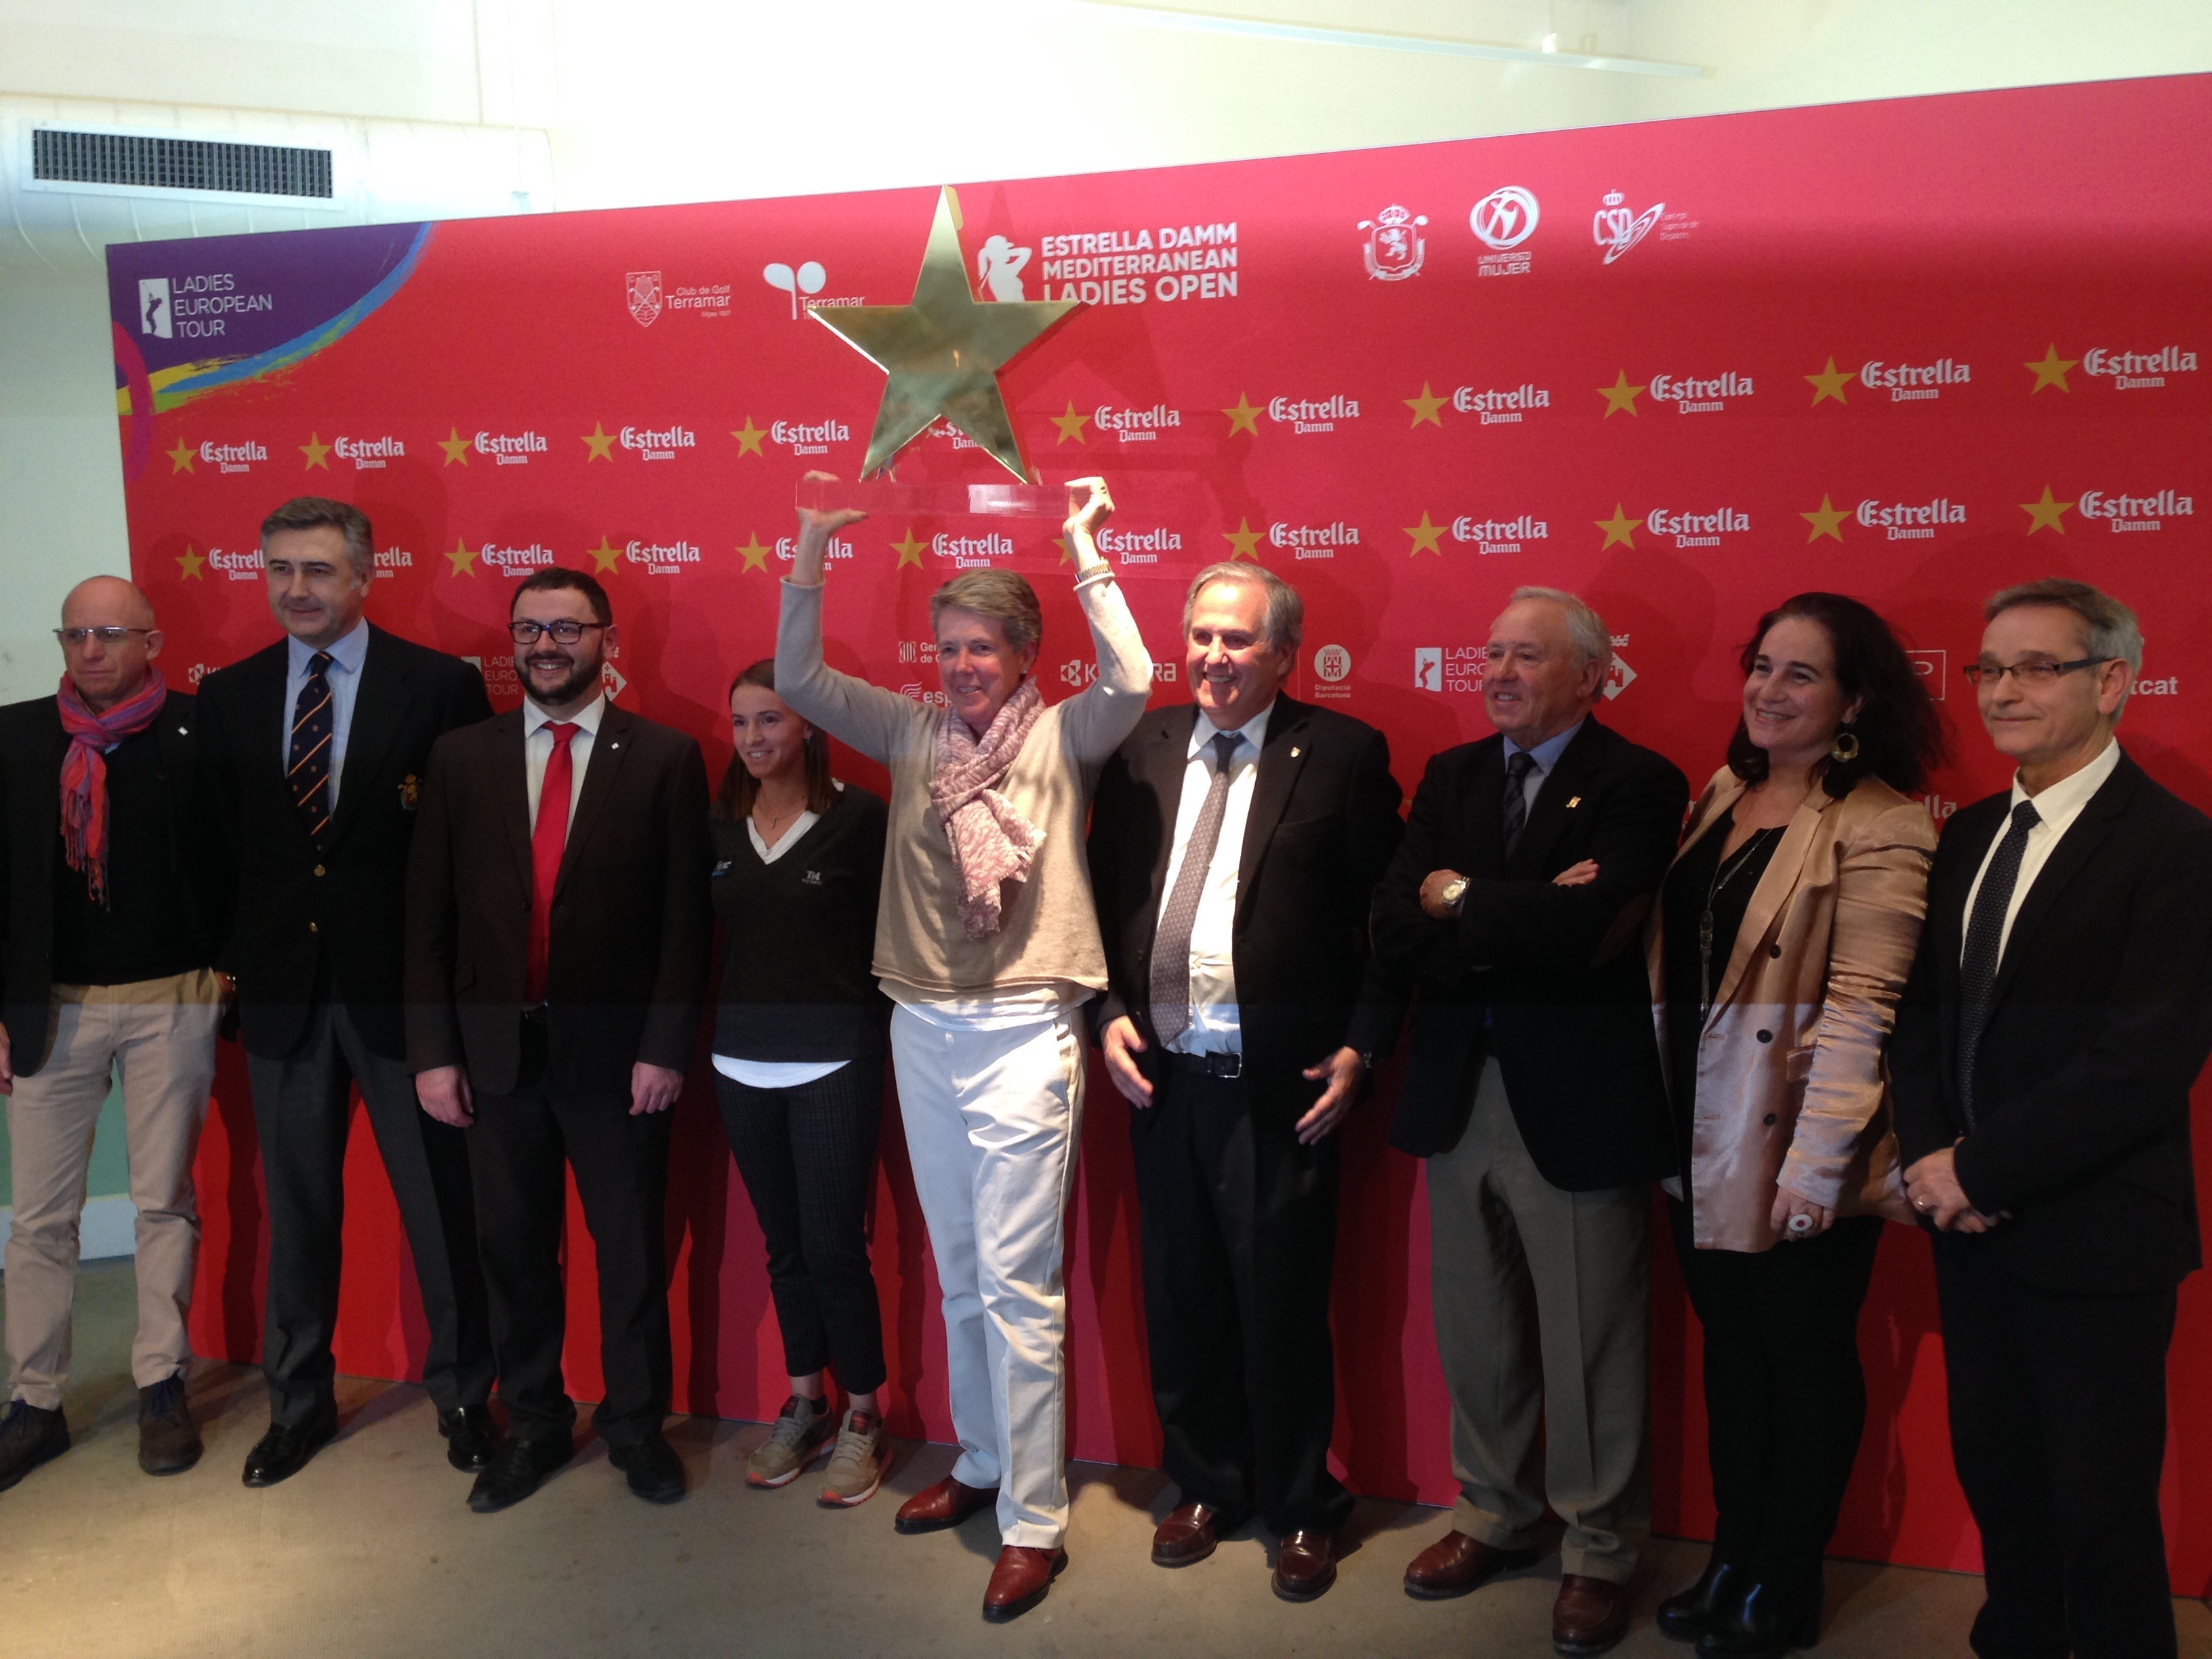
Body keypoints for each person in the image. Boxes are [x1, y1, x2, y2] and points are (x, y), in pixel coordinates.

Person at [775, 472, 1149, 1622]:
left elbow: (1134, 679)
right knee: (961, 1273)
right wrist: (808, 556)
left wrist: (1085, 552)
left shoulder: (1066, 732)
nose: (961, 666)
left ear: (1025, 652)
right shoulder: (908, 730)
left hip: (1026, 1027)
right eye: (947, 647)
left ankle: (1033, 1519)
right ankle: (982, 1462)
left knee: (1022, 1287)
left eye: (982, 646)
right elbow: (797, 680)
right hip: (921, 1023)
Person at [1892, 579, 2212, 1659]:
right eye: (1990, 669)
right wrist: (1933, 1160)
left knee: (2102, 1508)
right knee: (2001, 1480)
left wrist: (1978, 1169)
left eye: (2037, 667)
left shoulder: (2176, 846)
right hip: (1966, 1228)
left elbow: (2144, 1060)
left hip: (2095, 1232)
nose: (2001, 691)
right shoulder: (1971, 833)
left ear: (2112, 682)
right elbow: (1922, 1018)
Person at [1371, 586, 1687, 1657]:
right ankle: (1494, 1514)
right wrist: (1523, 905)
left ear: (1592, 675)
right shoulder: (1452, 775)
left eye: (1528, 657)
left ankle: (1599, 1550)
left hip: (1579, 1099)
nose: (1500, 673)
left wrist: (1459, 897)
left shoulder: (1640, 780)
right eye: (1492, 654)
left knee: (1593, 1338)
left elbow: (1593, 932)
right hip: (1460, 1090)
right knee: (1478, 1326)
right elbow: (1391, 927)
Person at [1626, 594, 1940, 1658]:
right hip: (1700, 1133)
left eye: (1800, 674)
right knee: (1733, 1357)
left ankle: (1786, 1579)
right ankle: (1734, 1554)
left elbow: (1863, 1009)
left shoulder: (1885, 822)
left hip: (1797, 1145)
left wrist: (1816, 1166)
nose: (1768, 689)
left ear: (1854, 702)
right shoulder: (1725, 791)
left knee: (1802, 1360)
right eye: (1762, 665)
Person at [1086, 562, 1404, 1600]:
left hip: (1281, 1086)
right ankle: (1207, 1485)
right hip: (1163, 1081)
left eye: (1238, 639)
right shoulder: (1140, 747)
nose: (1214, 657)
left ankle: (1303, 1505)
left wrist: (1362, 1048)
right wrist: (1105, 1010)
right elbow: (1096, 898)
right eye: (1203, 636)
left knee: (1281, 1307)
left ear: (1285, 655)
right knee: (1182, 1300)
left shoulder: (1343, 755)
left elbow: (1389, 922)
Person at [194, 497, 496, 1487]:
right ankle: (298, 1406)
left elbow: (471, 850)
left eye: (318, 570)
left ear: (365, 576)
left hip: (407, 1002)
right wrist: (239, 963)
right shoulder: (229, 696)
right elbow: (222, 851)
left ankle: (465, 1398)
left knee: (441, 1213)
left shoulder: (441, 686)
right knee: (299, 1216)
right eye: (280, 568)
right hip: (285, 999)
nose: (297, 589)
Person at [406, 567, 712, 1514]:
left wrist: (665, 1048)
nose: (546, 645)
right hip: (494, 1058)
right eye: (529, 629)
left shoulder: (664, 757)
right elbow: (428, 918)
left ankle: (635, 1428)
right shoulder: (461, 757)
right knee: (512, 1252)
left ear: (606, 640)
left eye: (567, 629)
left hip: (619, 1064)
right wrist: (434, 1053)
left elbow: (685, 922)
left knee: (630, 1255)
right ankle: (535, 1425)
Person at [0, 578, 227, 1492]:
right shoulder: (17, 737)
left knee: (162, 1201)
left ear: (151, 643)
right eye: (75, 635)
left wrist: (228, 973)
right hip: (50, 1007)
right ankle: (33, 1402)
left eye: (110, 634)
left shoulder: (200, 730)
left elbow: (237, 859)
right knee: (39, 1220)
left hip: (173, 999)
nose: (90, 650)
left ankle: (161, 1385)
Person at [708, 659, 893, 1507]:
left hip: (835, 1061)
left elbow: (892, 940)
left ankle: (864, 1415)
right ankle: (806, 1403)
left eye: (771, 720)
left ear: (809, 724)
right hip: (739, 1062)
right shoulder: (719, 822)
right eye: (741, 722)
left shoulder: (860, 818)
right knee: (783, 1248)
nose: (753, 738)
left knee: (832, 1247)